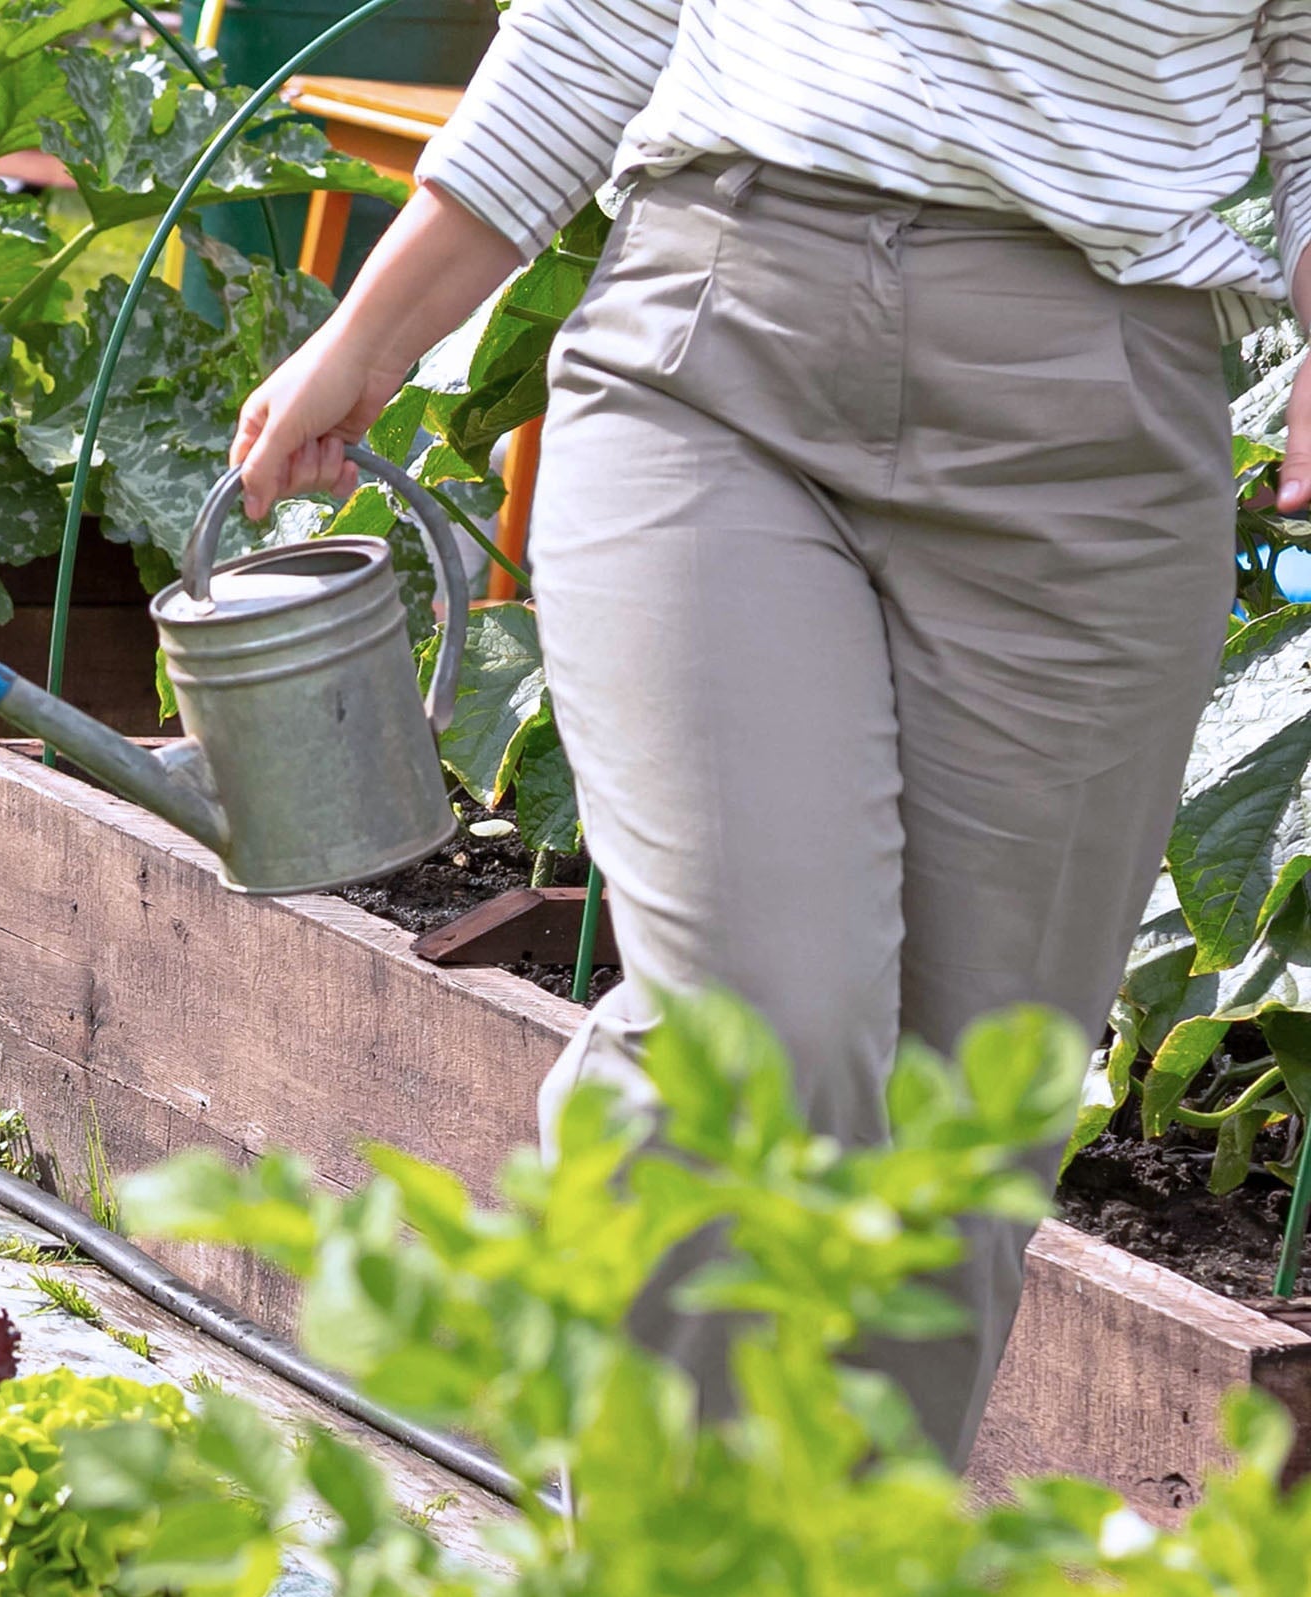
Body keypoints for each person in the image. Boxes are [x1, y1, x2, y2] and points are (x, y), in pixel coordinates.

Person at [233, 0, 1311, 1469]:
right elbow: (604, 22)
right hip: (719, 349)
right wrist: (369, 335)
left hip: (1097, 430)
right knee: (749, 1037)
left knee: (961, 1122)